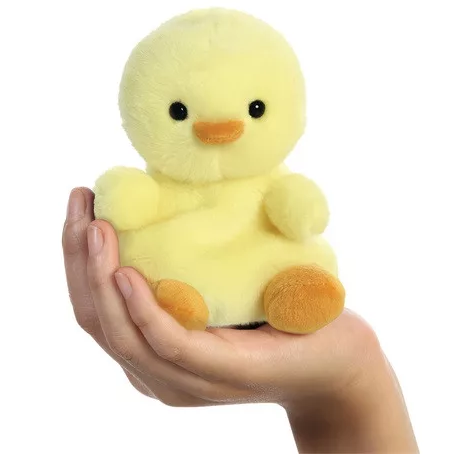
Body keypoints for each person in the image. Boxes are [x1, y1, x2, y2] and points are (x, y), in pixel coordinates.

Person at [63, 188, 418, 453]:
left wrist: (346, 382)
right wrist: (348, 385)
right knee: (162, 287)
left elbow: (306, 212)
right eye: (180, 115)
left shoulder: (271, 183)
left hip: (274, 273)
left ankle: (294, 294)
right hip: (193, 272)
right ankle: (180, 301)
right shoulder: (172, 189)